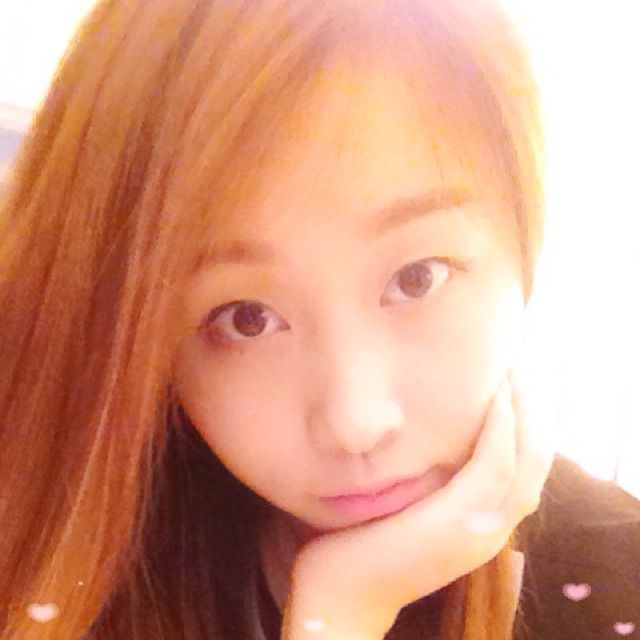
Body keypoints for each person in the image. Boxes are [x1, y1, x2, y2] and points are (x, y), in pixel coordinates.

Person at [0, 0, 638, 639]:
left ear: (522, 247)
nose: (356, 421)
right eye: (247, 319)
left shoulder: (614, 583)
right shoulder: (79, 550)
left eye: (416, 278)